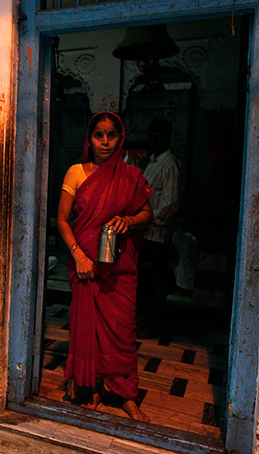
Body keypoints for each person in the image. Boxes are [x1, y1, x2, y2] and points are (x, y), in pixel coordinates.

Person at [56, 111, 154, 423]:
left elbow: (148, 213)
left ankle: (125, 393)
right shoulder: (76, 172)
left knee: (122, 331)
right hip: (84, 265)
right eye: (99, 134)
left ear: (120, 138)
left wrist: (129, 219)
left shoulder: (132, 176)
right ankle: (92, 387)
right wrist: (78, 255)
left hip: (118, 269)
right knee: (88, 328)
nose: (105, 141)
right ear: (90, 138)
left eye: (111, 135)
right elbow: (61, 219)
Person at [137, 118, 181, 337]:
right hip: (145, 233)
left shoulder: (169, 164)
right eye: (150, 135)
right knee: (145, 276)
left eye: (156, 136)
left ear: (166, 137)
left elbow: (171, 202)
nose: (151, 140)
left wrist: (149, 218)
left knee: (156, 279)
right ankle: (144, 320)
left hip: (157, 233)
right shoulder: (152, 162)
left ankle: (152, 324)